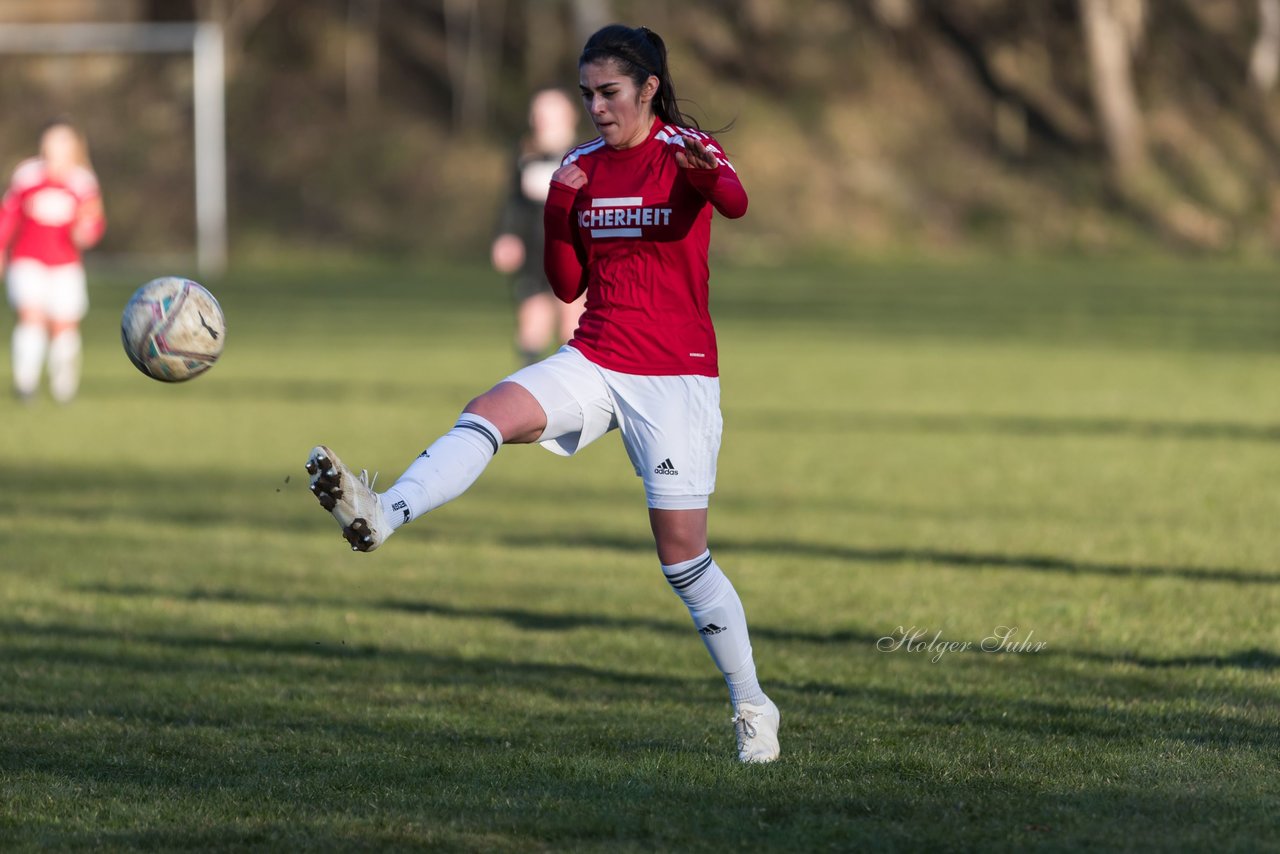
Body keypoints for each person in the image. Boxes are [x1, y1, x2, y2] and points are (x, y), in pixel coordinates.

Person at [306, 24, 780, 763]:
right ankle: (383, 510)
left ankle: (752, 705)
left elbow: (738, 202)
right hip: (595, 356)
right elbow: (567, 284)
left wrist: (704, 172)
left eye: (610, 92)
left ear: (649, 87)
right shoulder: (580, 165)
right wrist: (561, 207)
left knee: (683, 558)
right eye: (588, 93)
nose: (597, 106)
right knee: (487, 412)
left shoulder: (683, 149)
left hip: (675, 376)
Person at [0, 119, 106, 403]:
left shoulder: (83, 182)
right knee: (31, 317)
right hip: (28, 261)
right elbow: (8, 216)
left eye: (63, 141)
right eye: (52, 140)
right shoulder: (27, 176)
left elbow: (94, 222)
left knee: (64, 325)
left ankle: (63, 387)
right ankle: (26, 383)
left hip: (65, 265)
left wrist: (86, 233)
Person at [491, 88, 588, 365]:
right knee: (532, 322)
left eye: (550, 113)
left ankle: (572, 392)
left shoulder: (584, 155)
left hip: (572, 248)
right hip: (534, 250)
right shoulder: (524, 155)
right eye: (538, 113)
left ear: (569, 115)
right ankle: (531, 394)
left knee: (572, 324)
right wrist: (506, 237)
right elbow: (513, 202)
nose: (542, 120)